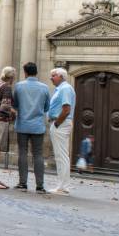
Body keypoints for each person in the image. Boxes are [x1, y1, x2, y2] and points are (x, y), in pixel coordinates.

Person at [12, 62, 50, 193]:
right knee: (38, 154)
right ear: (36, 72)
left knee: (22, 153)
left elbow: (15, 104)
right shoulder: (45, 87)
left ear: (25, 72)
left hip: (22, 124)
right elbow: (46, 107)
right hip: (38, 126)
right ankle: (40, 185)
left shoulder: (18, 86)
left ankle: (23, 183)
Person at [48, 67, 76, 195]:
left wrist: (57, 123)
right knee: (60, 155)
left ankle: (63, 187)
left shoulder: (64, 89)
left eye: (53, 75)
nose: (51, 78)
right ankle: (62, 185)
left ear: (61, 76)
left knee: (61, 156)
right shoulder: (63, 88)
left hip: (61, 123)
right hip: (61, 123)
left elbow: (66, 109)